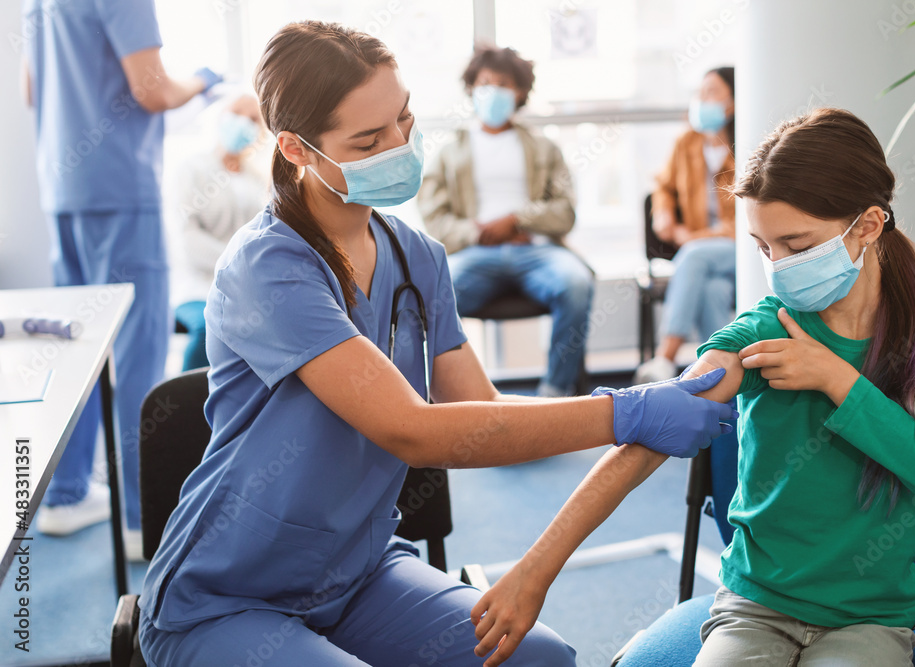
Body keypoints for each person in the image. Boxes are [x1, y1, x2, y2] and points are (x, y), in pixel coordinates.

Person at [137, 21, 734, 667]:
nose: (400, 145)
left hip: (358, 572)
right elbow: (415, 431)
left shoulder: (415, 256)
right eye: (368, 139)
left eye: (404, 119)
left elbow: (479, 411)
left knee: (541, 660)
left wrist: (628, 404)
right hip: (232, 596)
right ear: (297, 148)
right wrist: (627, 411)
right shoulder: (269, 266)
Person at [470, 108, 915, 667]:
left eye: (797, 245)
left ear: (869, 225)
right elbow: (646, 445)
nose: (777, 268)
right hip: (756, 604)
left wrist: (837, 380)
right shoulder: (762, 331)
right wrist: (535, 571)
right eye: (763, 247)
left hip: (870, 615)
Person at [21, 0, 222, 552]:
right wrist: (207, 78)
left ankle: (65, 494)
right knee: (137, 351)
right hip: (118, 184)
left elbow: (31, 91)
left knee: (77, 348)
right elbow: (152, 90)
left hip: (61, 187)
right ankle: (142, 518)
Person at [419, 45, 593, 398]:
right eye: (485, 83)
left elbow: (565, 213)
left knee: (576, 284)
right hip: (474, 252)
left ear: (520, 93)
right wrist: (479, 233)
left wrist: (517, 220)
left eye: (504, 84)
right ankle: (454, 399)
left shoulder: (546, 149)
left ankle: (555, 393)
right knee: (434, 297)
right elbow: (434, 219)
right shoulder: (449, 153)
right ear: (471, 89)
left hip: (538, 252)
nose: (493, 92)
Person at [635, 67, 736, 383]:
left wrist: (692, 237)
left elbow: (744, 219)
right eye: (700, 92)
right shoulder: (686, 143)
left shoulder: (748, 145)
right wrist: (663, 215)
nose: (701, 99)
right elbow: (662, 187)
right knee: (712, 291)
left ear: (733, 101)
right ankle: (724, 375)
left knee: (693, 254)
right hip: (704, 253)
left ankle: (664, 359)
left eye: (712, 92)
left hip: (740, 246)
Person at [171, 93, 270, 371]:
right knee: (209, 330)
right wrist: (237, 263)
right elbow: (188, 240)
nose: (243, 123)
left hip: (250, 289)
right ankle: (187, 410)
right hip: (198, 287)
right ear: (221, 115)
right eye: (238, 113)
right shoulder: (192, 169)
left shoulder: (258, 180)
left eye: (253, 120)